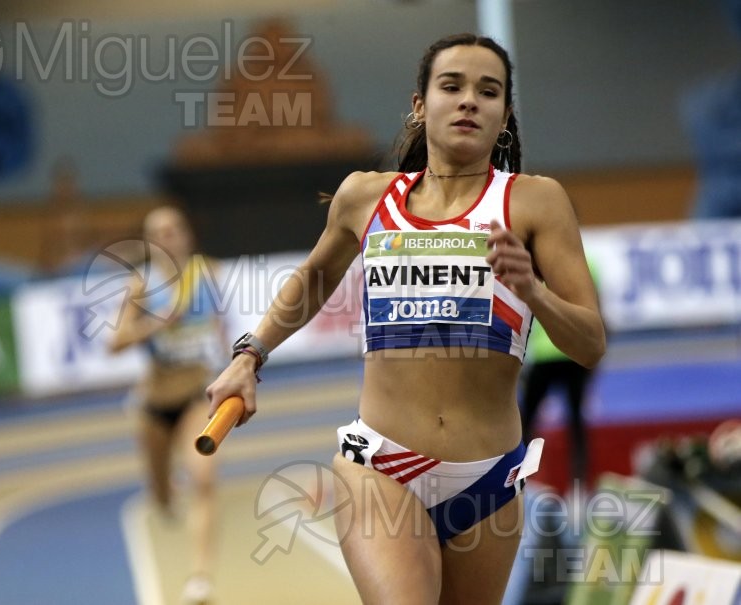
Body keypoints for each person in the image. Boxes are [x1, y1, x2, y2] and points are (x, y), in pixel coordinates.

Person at [206, 33, 605, 604]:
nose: (469, 100)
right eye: (452, 86)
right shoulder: (366, 197)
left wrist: (532, 293)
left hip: (487, 479)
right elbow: (316, 278)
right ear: (419, 105)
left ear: (505, 115)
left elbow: (590, 342)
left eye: (488, 91)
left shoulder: (535, 202)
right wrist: (249, 355)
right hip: (382, 467)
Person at [109, 204, 224, 605]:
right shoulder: (141, 285)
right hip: (154, 407)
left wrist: (231, 368)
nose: (168, 236)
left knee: (204, 480)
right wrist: (159, 323)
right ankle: (163, 490)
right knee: (162, 499)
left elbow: (221, 325)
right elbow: (115, 344)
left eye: (174, 228)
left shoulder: (208, 272)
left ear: (187, 234)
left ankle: (200, 578)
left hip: (196, 396)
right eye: (158, 231)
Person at [520, 260, 600, 488]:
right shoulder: (587, 263)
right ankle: (580, 482)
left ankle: (523, 479)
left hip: (547, 356)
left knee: (527, 422)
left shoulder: (533, 262)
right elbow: (597, 313)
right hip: (572, 354)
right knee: (576, 421)